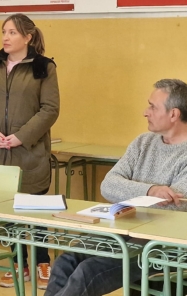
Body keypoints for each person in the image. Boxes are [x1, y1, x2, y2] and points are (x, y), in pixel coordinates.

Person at [45, 79, 187, 296]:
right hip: (123, 231)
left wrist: (135, 192)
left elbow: (175, 207)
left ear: (174, 114)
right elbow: (109, 185)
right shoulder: (143, 142)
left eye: (152, 106)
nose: (145, 112)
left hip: (162, 245)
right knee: (65, 262)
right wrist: (151, 191)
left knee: (87, 272)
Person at [0, 13, 60, 290]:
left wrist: (21, 137)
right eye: (3, 32)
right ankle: (19, 263)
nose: (5, 38)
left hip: (29, 153)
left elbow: (50, 109)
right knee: (7, 212)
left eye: (11, 33)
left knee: (34, 211)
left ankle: (42, 261)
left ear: (27, 37)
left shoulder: (44, 67)